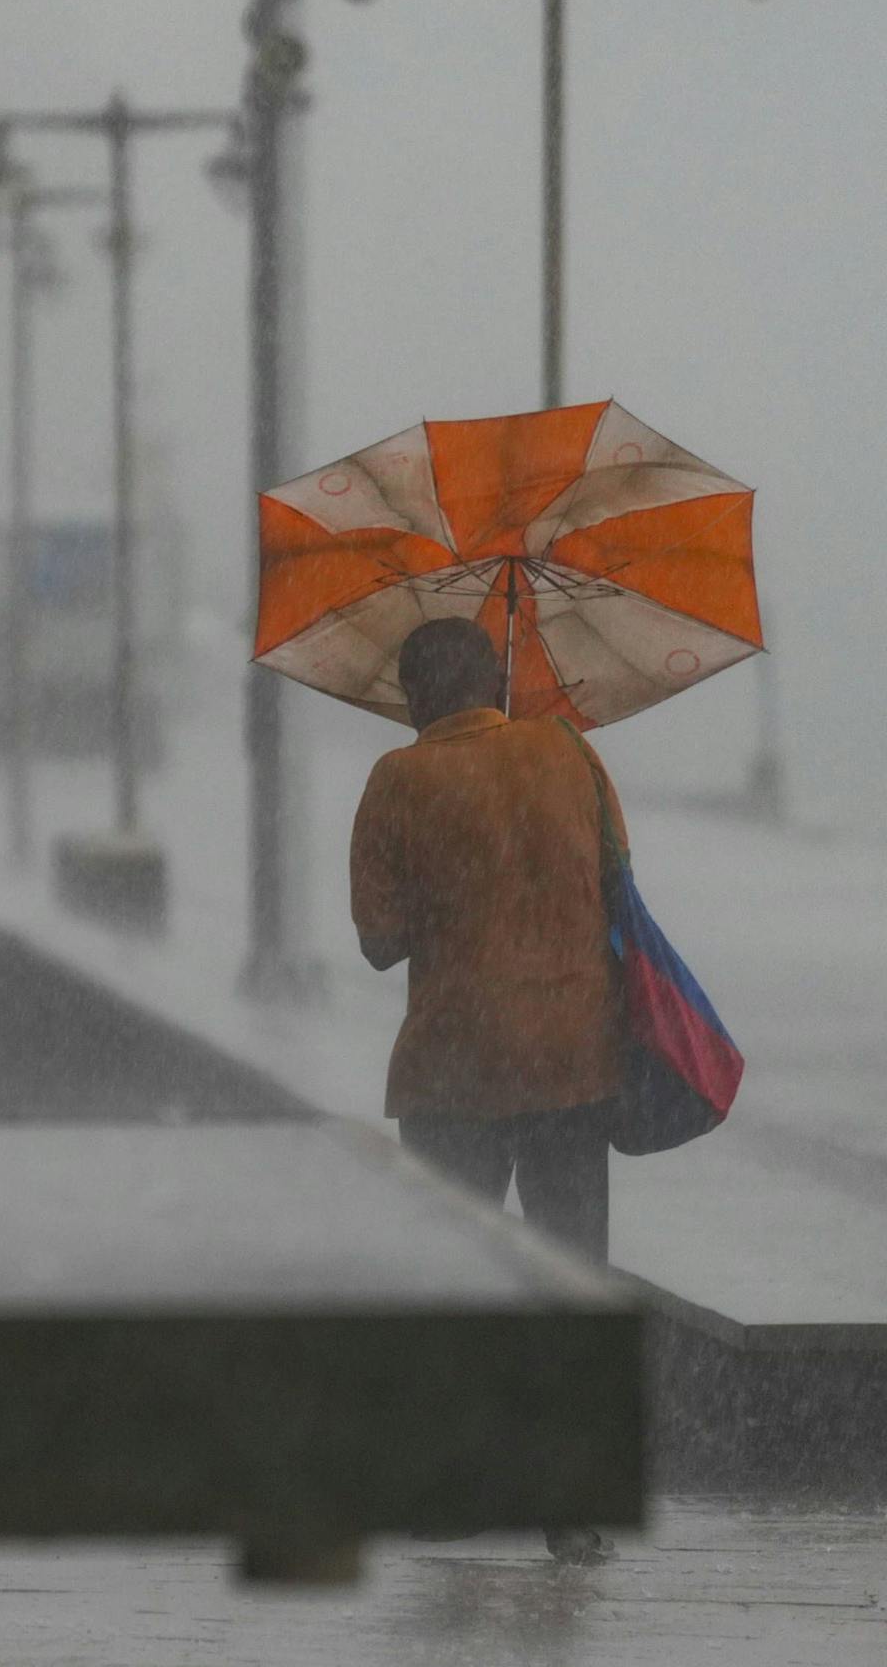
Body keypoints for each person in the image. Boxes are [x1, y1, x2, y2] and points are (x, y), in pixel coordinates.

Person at [350, 616, 625, 1566]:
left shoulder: (398, 779)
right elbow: (618, 884)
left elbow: (380, 940)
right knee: (570, 1277)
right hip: (570, 1056)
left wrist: (451, 878)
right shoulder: (568, 752)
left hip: (455, 1067)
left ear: (417, 699)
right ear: (499, 682)